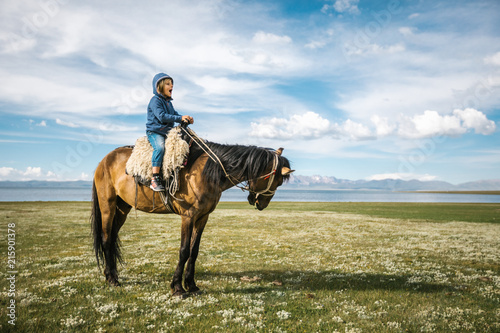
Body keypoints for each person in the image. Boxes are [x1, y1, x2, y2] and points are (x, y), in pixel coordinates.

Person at [146, 73, 194, 191]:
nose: (171, 86)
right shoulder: (155, 101)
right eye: (167, 84)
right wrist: (179, 118)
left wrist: (185, 118)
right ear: (159, 88)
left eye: (172, 83)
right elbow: (161, 116)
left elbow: (174, 115)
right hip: (155, 132)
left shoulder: (168, 103)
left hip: (167, 132)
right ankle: (155, 178)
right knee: (160, 148)